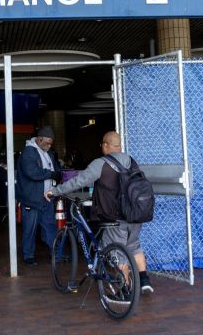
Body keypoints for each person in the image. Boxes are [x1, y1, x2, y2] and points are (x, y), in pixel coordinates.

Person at [45, 131, 154, 294]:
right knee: (134, 247)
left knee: (117, 253)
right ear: (120, 146)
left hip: (114, 217)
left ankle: (124, 290)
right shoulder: (131, 162)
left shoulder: (101, 163)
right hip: (136, 214)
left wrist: (56, 191)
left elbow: (79, 181)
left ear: (105, 145)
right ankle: (144, 281)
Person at [17, 126, 62, 266]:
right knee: (30, 229)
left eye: (51, 143)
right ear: (39, 139)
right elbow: (32, 172)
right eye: (46, 143)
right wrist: (51, 174)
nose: (49, 146)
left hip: (47, 197)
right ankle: (28, 255)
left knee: (50, 227)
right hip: (32, 199)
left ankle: (56, 253)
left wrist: (57, 174)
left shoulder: (48, 152)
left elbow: (55, 168)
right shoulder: (28, 153)